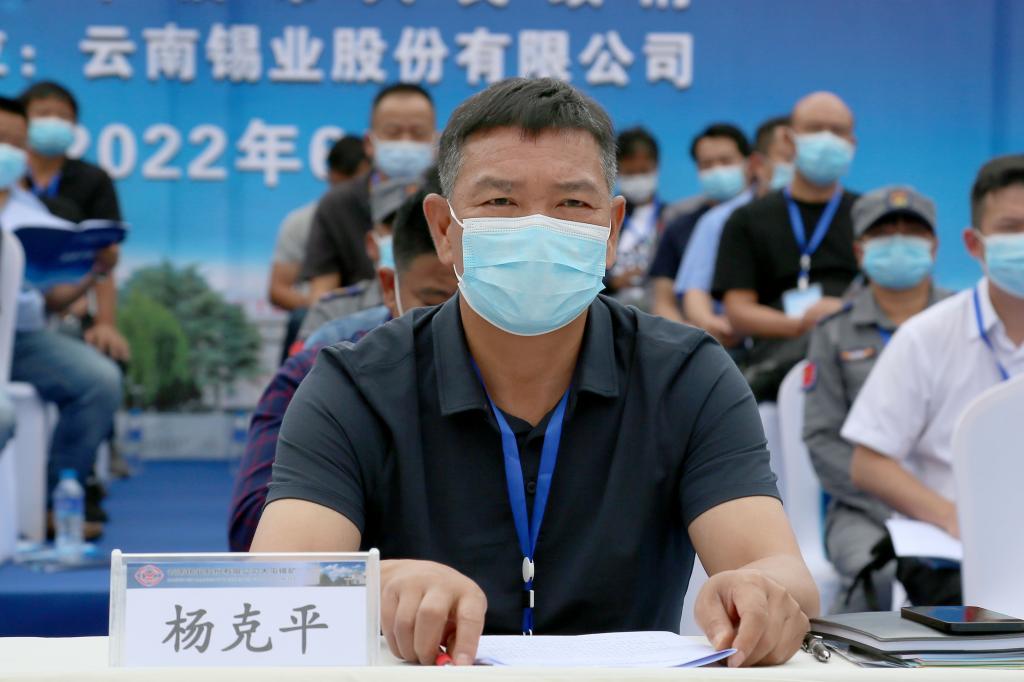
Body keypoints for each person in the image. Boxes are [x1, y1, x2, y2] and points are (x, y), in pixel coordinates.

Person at [253, 78, 818, 668]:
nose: (538, 228)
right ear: (444, 230)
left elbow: (780, 571)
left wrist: (761, 593)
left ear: (611, 230)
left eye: (572, 204)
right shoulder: (354, 386)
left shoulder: (686, 376)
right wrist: (380, 582)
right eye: (501, 202)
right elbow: (276, 581)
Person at [230, 186, 457, 551]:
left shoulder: (529, 380)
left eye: (480, 299)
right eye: (434, 301)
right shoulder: (326, 376)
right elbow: (260, 539)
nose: (458, 320)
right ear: (390, 287)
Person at [841, 155, 1024, 601]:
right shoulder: (926, 337)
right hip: (955, 553)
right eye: (1012, 227)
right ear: (974, 244)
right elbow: (869, 464)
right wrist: (952, 517)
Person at [803, 186, 950, 612]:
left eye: (912, 232)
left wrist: (946, 507)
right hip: (864, 511)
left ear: (934, 246)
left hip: (957, 504)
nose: (899, 241)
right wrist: (902, 501)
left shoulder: (962, 320)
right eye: (884, 233)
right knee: (878, 574)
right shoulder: (834, 331)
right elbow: (822, 437)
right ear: (860, 250)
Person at [0, 96, 121, 538]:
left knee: (99, 380)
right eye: (0, 139)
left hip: (20, 338)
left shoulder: (33, 212)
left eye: (17, 142)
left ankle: (58, 500)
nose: (8, 151)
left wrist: (95, 268)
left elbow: (53, 299)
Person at [713, 92, 860, 401]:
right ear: (790, 140)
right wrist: (801, 325)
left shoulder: (868, 217)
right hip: (775, 364)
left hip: (856, 357)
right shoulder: (748, 219)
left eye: (837, 131)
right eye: (815, 128)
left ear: (852, 144)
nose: (826, 139)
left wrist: (843, 314)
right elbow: (738, 311)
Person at [19, 80, 129, 363]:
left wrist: (105, 322)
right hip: (13, 302)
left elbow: (104, 255)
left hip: (65, 300)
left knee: (104, 370)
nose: (53, 122)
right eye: (43, 114)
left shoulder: (92, 179)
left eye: (63, 116)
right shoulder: (9, 174)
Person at [302, 83, 436, 304]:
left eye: (418, 133)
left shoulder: (451, 197)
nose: (405, 142)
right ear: (369, 143)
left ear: (434, 140)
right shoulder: (338, 204)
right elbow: (322, 296)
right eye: (393, 133)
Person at [676, 116, 794, 348]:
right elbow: (695, 292)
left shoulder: (829, 214)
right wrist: (711, 324)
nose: (797, 167)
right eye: (788, 159)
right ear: (758, 164)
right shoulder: (721, 220)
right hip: (740, 344)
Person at [269, 135, 370, 363]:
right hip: (326, 310)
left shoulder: (385, 217)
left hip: (377, 307)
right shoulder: (302, 221)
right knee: (302, 319)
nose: (352, 191)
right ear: (332, 176)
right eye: (347, 183)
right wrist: (328, 305)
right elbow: (278, 290)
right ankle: (293, 382)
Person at [649, 123, 750, 323]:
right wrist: (690, 336)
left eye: (726, 161)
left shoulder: (768, 217)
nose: (717, 170)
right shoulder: (680, 226)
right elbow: (663, 301)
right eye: (707, 164)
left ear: (749, 162)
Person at [605, 127, 664, 309]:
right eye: (630, 173)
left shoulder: (672, 217)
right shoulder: (605, 218)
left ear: (656, 167)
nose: (638, 178)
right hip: (613, 310)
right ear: (616, 171)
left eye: (644, 171)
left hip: (659, 310)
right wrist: (612, 282)